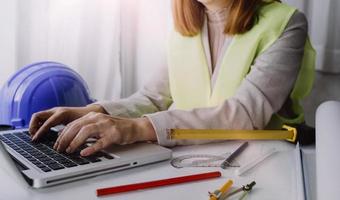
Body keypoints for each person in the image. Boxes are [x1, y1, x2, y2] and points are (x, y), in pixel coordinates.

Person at [29, 0, 314, 157]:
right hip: (193, 159)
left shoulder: (286, 22)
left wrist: (137, 129)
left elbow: (244, 115)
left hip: (265, 161)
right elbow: (153, 97)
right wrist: (93, 111)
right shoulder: (186, 27)